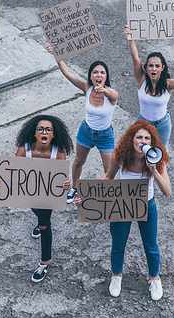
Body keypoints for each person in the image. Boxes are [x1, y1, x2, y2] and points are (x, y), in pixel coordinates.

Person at [75, 120, 171, 300]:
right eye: (139, 137)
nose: (143, 141)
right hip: (122, 203)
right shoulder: (120, 156)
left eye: (147, 138)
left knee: (150, 245)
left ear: (152, 142)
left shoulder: (157, 159)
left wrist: (154, 170)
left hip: (146, 204)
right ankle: (116, 276)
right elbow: (108, 177)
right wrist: (87, 195)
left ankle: (155, 278)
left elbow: (167, 191)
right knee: (118, 243)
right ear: (131, 139)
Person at [0, 114, 73, 282]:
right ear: (35, 133)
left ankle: (44, 262)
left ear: (53, 134)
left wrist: (66, 185)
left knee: (45, 225)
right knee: (37, 212)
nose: (44, 131)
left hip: (47, 196)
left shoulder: (58, 153)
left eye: (48, 129)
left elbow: (61, 179)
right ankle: (41, 223)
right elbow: (13, 173)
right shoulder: (25, 150)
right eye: (40, 129)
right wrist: (0, 184)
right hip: (29, 195)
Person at [47, 43, 119, 204]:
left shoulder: (111, 95)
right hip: (86, 132)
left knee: (110, 172)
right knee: (79, 161)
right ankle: (74, 187)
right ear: (91, 76)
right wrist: (56, 54)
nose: (98, 75)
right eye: (95, 72)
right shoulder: (86, 88)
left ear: (106, 76)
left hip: (105, 136)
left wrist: (104, 90)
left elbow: (114, 93)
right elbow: (66, 73)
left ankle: (113, 198)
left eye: (102, 72)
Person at [124, 25, 174, 148]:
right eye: (150, 65)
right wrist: (130, 38)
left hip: (162, 125)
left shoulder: (168, 84)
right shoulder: (141, 79)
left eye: (157, 66)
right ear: (146, 68)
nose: (154, 68)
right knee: (141, 152)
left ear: (162, 68)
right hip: (143, 123)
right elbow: (135, 59)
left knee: (160, 155)